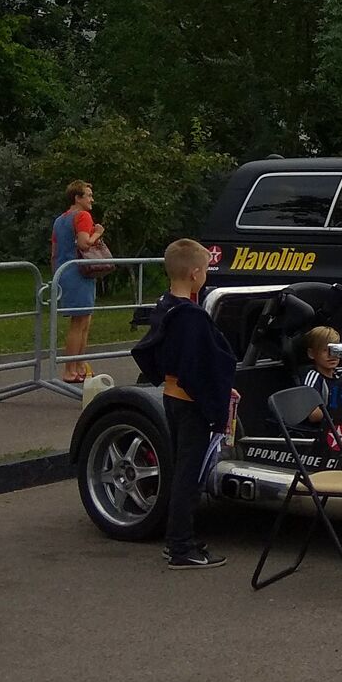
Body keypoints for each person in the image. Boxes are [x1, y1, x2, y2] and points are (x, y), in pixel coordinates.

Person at [131, 238, 236, 569]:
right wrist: (217, 404)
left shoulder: (165, 306)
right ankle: (181, 546)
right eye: (205, 269)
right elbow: (204, 365)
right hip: (191, 404)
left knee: (180, 470)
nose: (206, 275)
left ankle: (178, 539)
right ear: (194, 273)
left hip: (171, 396)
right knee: (189, 476)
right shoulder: (192, 317)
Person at [50, 180, 104, 384]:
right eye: (88, 195)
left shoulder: (59, 220)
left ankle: (79, 365)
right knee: (79, 323)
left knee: (83, 321)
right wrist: (98, 232)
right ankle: (70, 369)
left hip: (65, 272)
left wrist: (57, 277)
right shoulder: (83, 216)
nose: (92, 199)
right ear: (77, 198)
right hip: (80, 272)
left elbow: (54, 253)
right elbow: (84, 243)